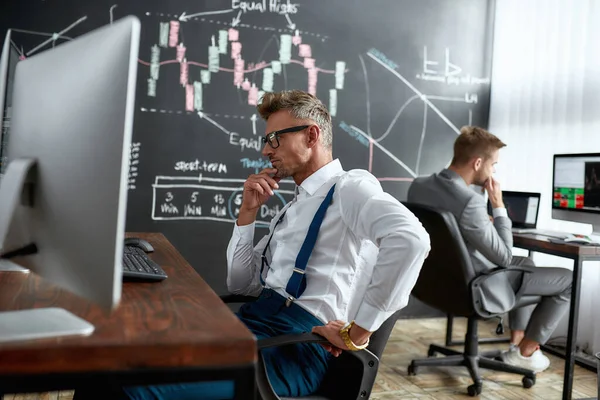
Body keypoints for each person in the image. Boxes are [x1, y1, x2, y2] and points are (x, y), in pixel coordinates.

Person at [118, 90, 431, 399]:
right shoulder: (292, 207)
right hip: (251, 327)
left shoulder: (350, 187)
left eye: (275, 138)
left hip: (293, 349)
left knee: (138, 388)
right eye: (266, 140)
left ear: (311, 135)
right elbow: (241, 283)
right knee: (115, 364)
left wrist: (359, 332)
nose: (266, 151)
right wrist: (247, 213)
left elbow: (411, 240)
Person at [407, 126, 572, 373]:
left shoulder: (418, 186)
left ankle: (515, 341)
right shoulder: (470, 201)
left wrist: (484, 226)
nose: (494, 170)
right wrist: (498, 205)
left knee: (527, 264)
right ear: (477, 163)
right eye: (493, 164)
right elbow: (504, 257)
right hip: (474, 288)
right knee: (569, 280)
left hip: (436, 284)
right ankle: (527, 351)